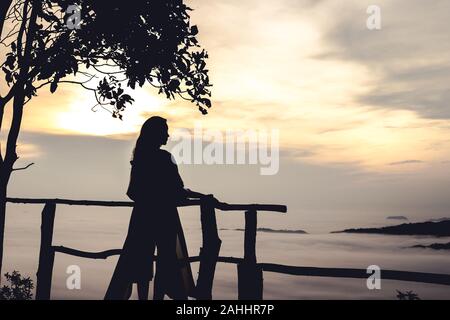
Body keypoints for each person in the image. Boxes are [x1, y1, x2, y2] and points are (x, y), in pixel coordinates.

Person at [105, 116, 215, 300]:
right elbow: (178, 190)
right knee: (165, 262)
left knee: (141, 262)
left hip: (142, 216)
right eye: (165, 131)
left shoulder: (140, 157)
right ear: (156, 134)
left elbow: (133, 192)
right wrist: (201, 197)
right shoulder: (165, 158)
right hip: (164, 217)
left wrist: (150, 199)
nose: (168, 135)